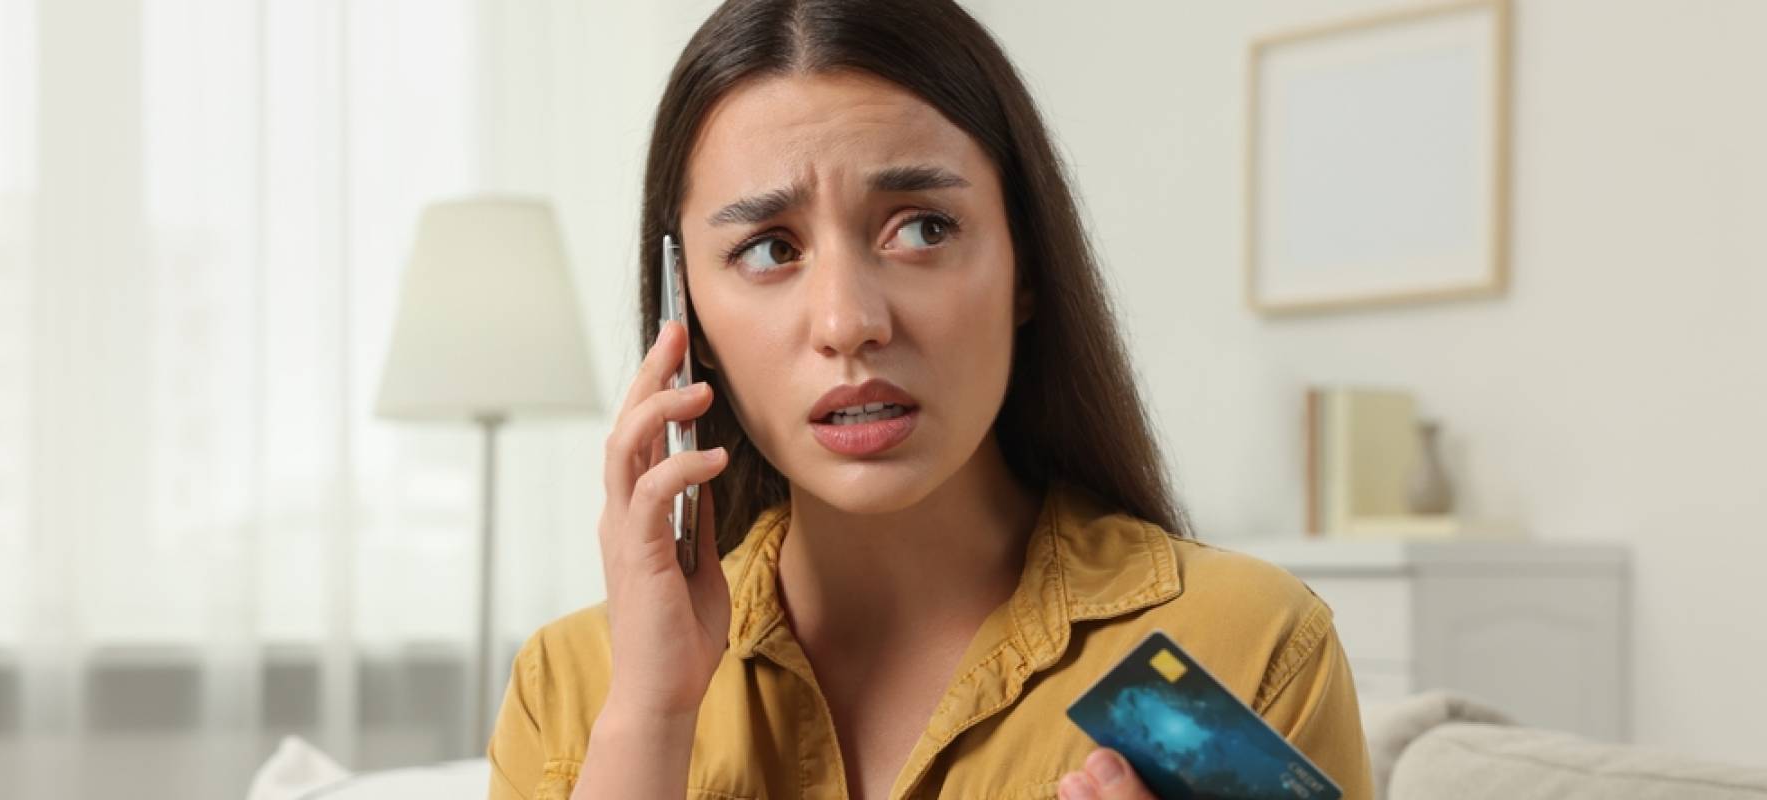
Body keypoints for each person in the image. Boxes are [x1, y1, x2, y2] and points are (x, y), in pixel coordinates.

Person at [486, 0, 1372, 798]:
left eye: (921, 228)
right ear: (691, 319)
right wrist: (650, 719)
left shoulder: (1246, 647)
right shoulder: (572, 689)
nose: (848, 321)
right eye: (768, 249)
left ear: (1026, 265)